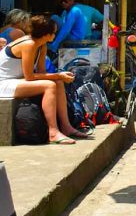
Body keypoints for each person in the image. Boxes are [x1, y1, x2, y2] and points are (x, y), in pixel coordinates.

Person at [0, 15, 90, 144]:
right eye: (53, 32)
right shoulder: (29, 44)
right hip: (4, 83)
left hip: (17, 80)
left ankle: (66, 126)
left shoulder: (41, 45)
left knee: (57, 83)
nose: (54, 35)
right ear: (45, 34)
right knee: (49, 85)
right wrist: (58, 75)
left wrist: (59, 76)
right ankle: (53, 132)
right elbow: (29, 76)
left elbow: (42, 72)